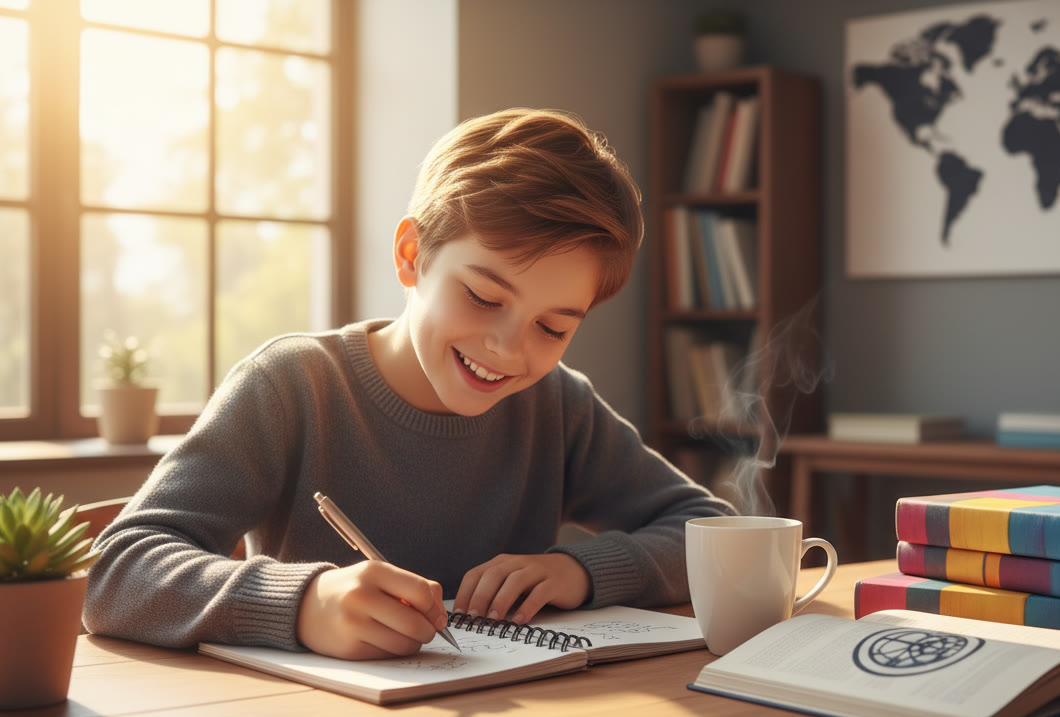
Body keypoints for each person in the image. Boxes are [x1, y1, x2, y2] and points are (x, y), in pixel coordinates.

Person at [84, 108, 736, 660]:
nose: (508, 348)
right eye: (483, 297)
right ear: (410, 256)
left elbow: (713, 531)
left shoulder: (557, 405)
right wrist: (303, 604)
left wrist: (580, 570)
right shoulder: (292, 387)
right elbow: (117, 572)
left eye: (553, 327)